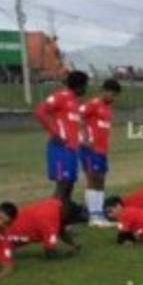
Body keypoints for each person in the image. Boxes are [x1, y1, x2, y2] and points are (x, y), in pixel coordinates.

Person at [34, 70, 89, 204]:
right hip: (60, 149)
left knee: (69, 185)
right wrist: (54, 133)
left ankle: (64, 218)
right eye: (85, 85)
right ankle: (51, 217)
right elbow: (40, 111)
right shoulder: (61, 96)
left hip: (71, 149)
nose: (86, 89)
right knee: (62, 186)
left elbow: (72, 125)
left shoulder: (75, 102)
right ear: (79, 86)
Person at [80, 78, 122, 225]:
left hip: (101, 150)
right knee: (93, 178)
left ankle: (97, 214)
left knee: (100, 179)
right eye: (113, 94)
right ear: (105, 91)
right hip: (90, 148)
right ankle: (94, 216)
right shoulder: (93, 104)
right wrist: (84, 138)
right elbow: (78, 117)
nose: (114, 98)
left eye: (116, 96)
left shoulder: (106, 108)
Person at [4, 196, 81, 257]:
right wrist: (67, 255)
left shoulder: (54, 204)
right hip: (5, 239)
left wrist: (73, 244)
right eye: (71, 220)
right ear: (66, 215)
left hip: (6, 229)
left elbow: (60, 229)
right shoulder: (51, 224)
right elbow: (50, 253)